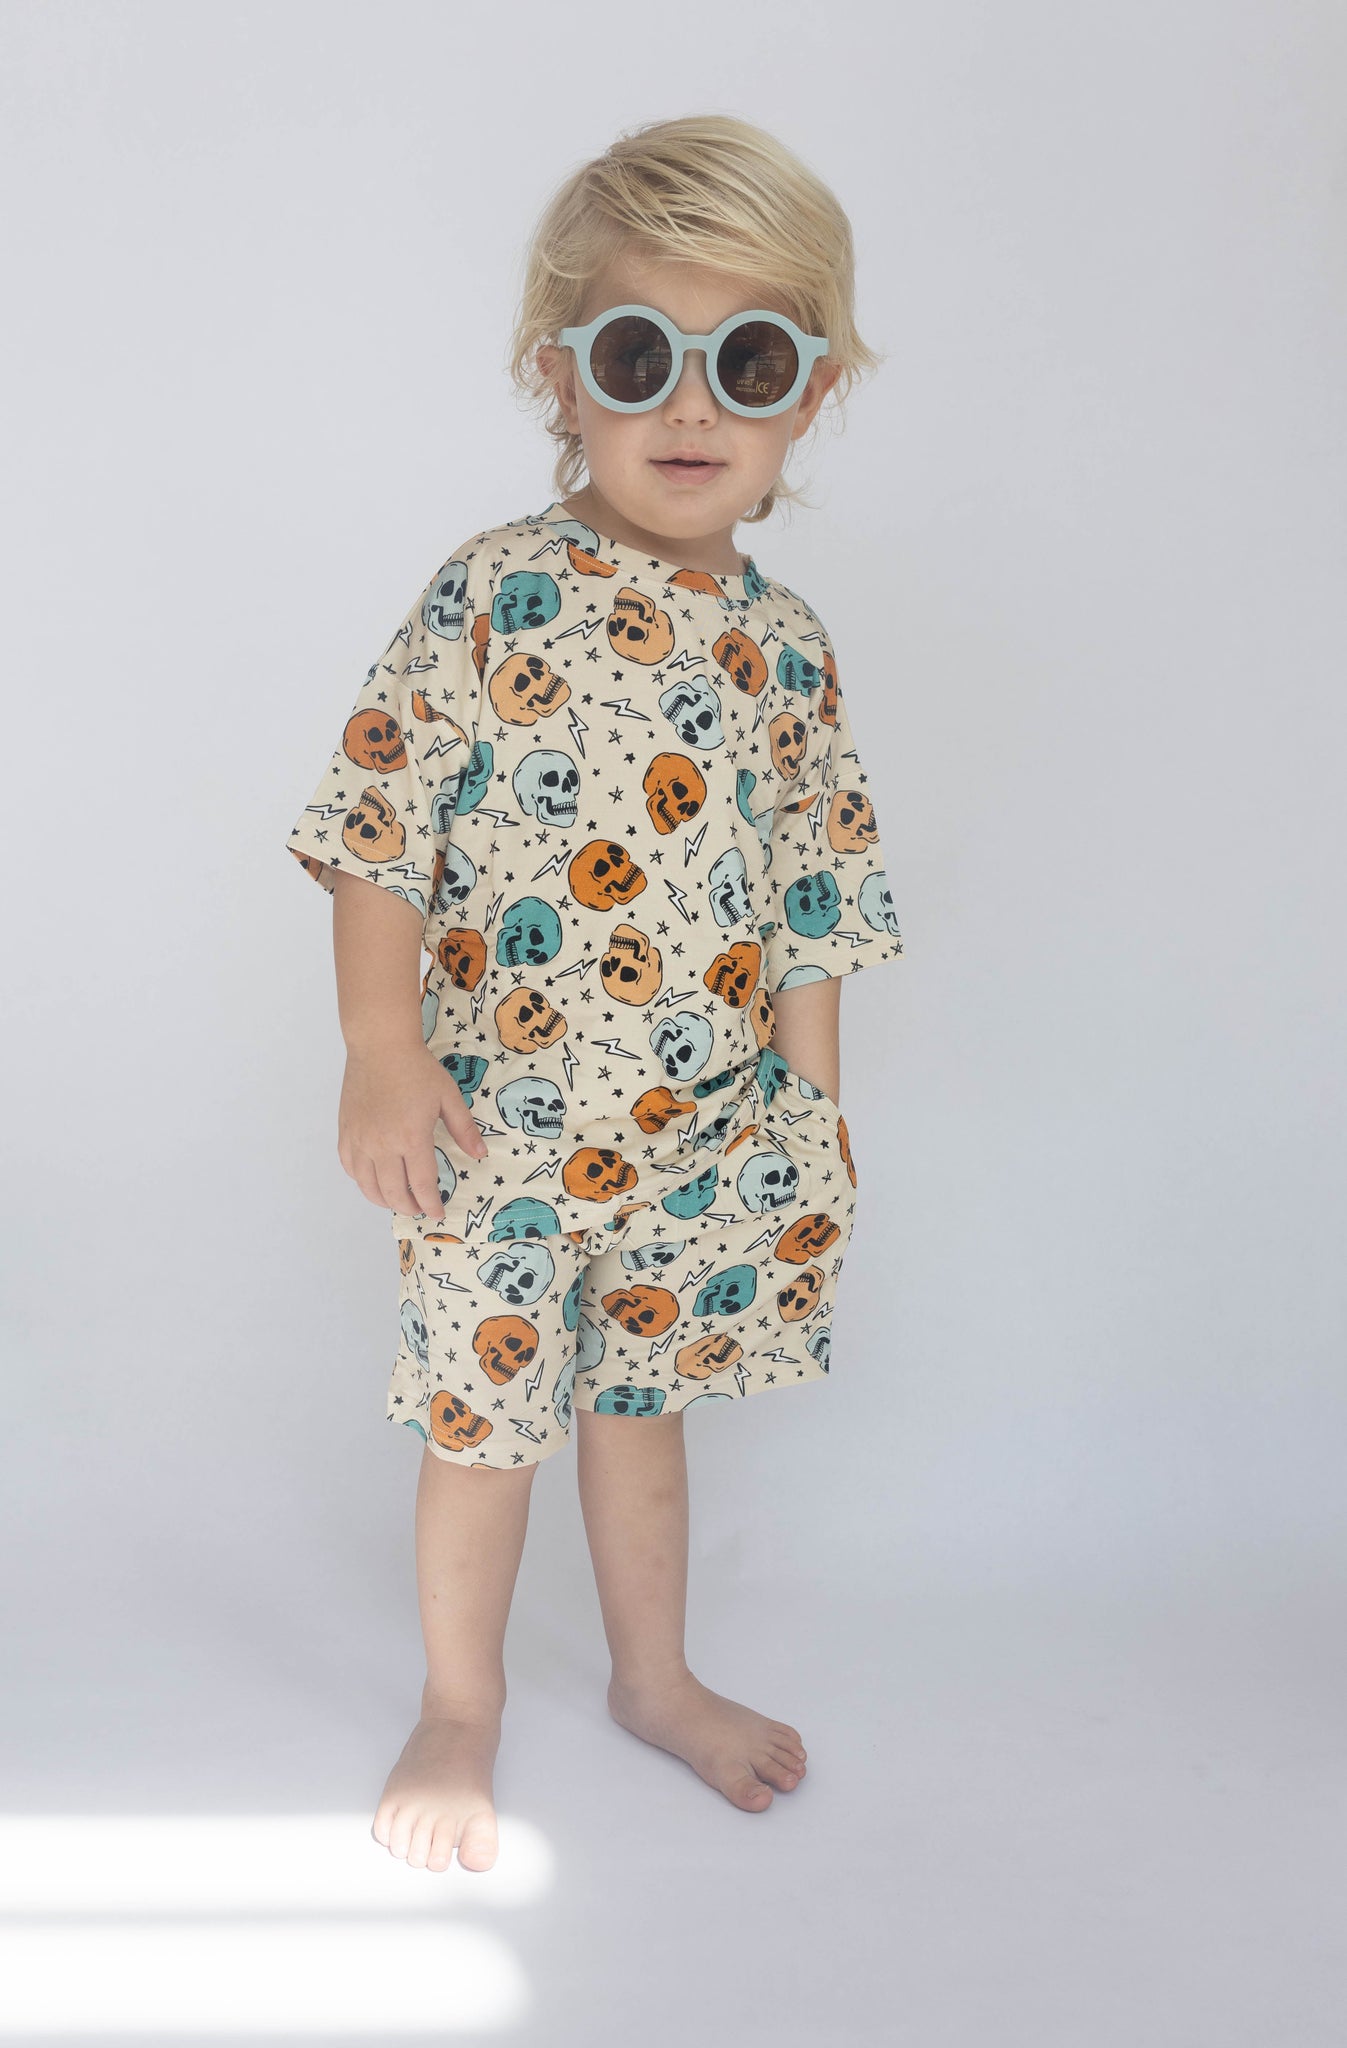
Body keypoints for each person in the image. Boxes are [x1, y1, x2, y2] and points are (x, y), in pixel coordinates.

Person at [283, 114, 904, 1874]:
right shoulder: (497, 593)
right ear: (557, 374)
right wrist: (380, 1050)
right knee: (486, 1427)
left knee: (644, 1411)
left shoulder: (789, 649)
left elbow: (814, 895)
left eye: (747, 363)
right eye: (641, 356)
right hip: (495, 1131)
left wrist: (811, 1114)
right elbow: (380, 828)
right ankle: (460, 1706)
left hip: (699, 1136)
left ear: (812, 393)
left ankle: (654, 1678)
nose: (690, 407)